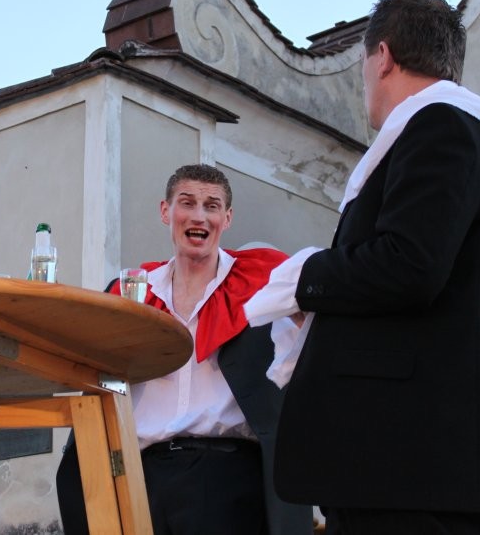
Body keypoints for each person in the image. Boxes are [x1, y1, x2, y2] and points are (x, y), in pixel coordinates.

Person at [244, 0, 480, 534]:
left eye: (364, 66)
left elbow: (410, 265)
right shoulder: (455, 132)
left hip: (405, 457)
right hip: (409, 461)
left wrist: (305, 277)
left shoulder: (441, 126)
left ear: (383, 56)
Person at [57, 164, 312, 535]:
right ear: (166, 211)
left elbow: (315, 332)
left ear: (227, 218)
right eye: (187, 203)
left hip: (225, 477)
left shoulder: (263, 280)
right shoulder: (131, 291)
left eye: (212, 206)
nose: (199, 216)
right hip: (138, 476)